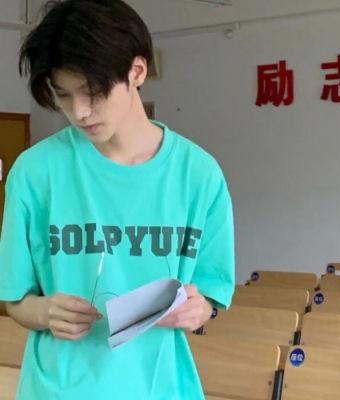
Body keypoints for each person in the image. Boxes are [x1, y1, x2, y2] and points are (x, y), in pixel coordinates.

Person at [0, 0, 235, 399]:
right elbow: (15, 299)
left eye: (92, 92)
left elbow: (211, 291)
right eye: (63, 95)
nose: (79, 112)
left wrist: (201, 308)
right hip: (59, 389)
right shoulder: (36, 173)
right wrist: (45, 311)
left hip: (160, 386)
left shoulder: (199, 175)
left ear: (137, 71)